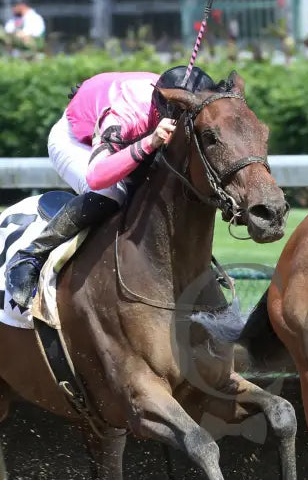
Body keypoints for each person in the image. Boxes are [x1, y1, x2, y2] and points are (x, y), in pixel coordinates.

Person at [4, 66, 217, 310]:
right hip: (77, 141)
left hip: (125, 122)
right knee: (111, 192)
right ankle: (31, 255)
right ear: (164, 110)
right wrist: (150, 142)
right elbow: (97, 176)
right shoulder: (126, 115)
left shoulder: (173, 99)